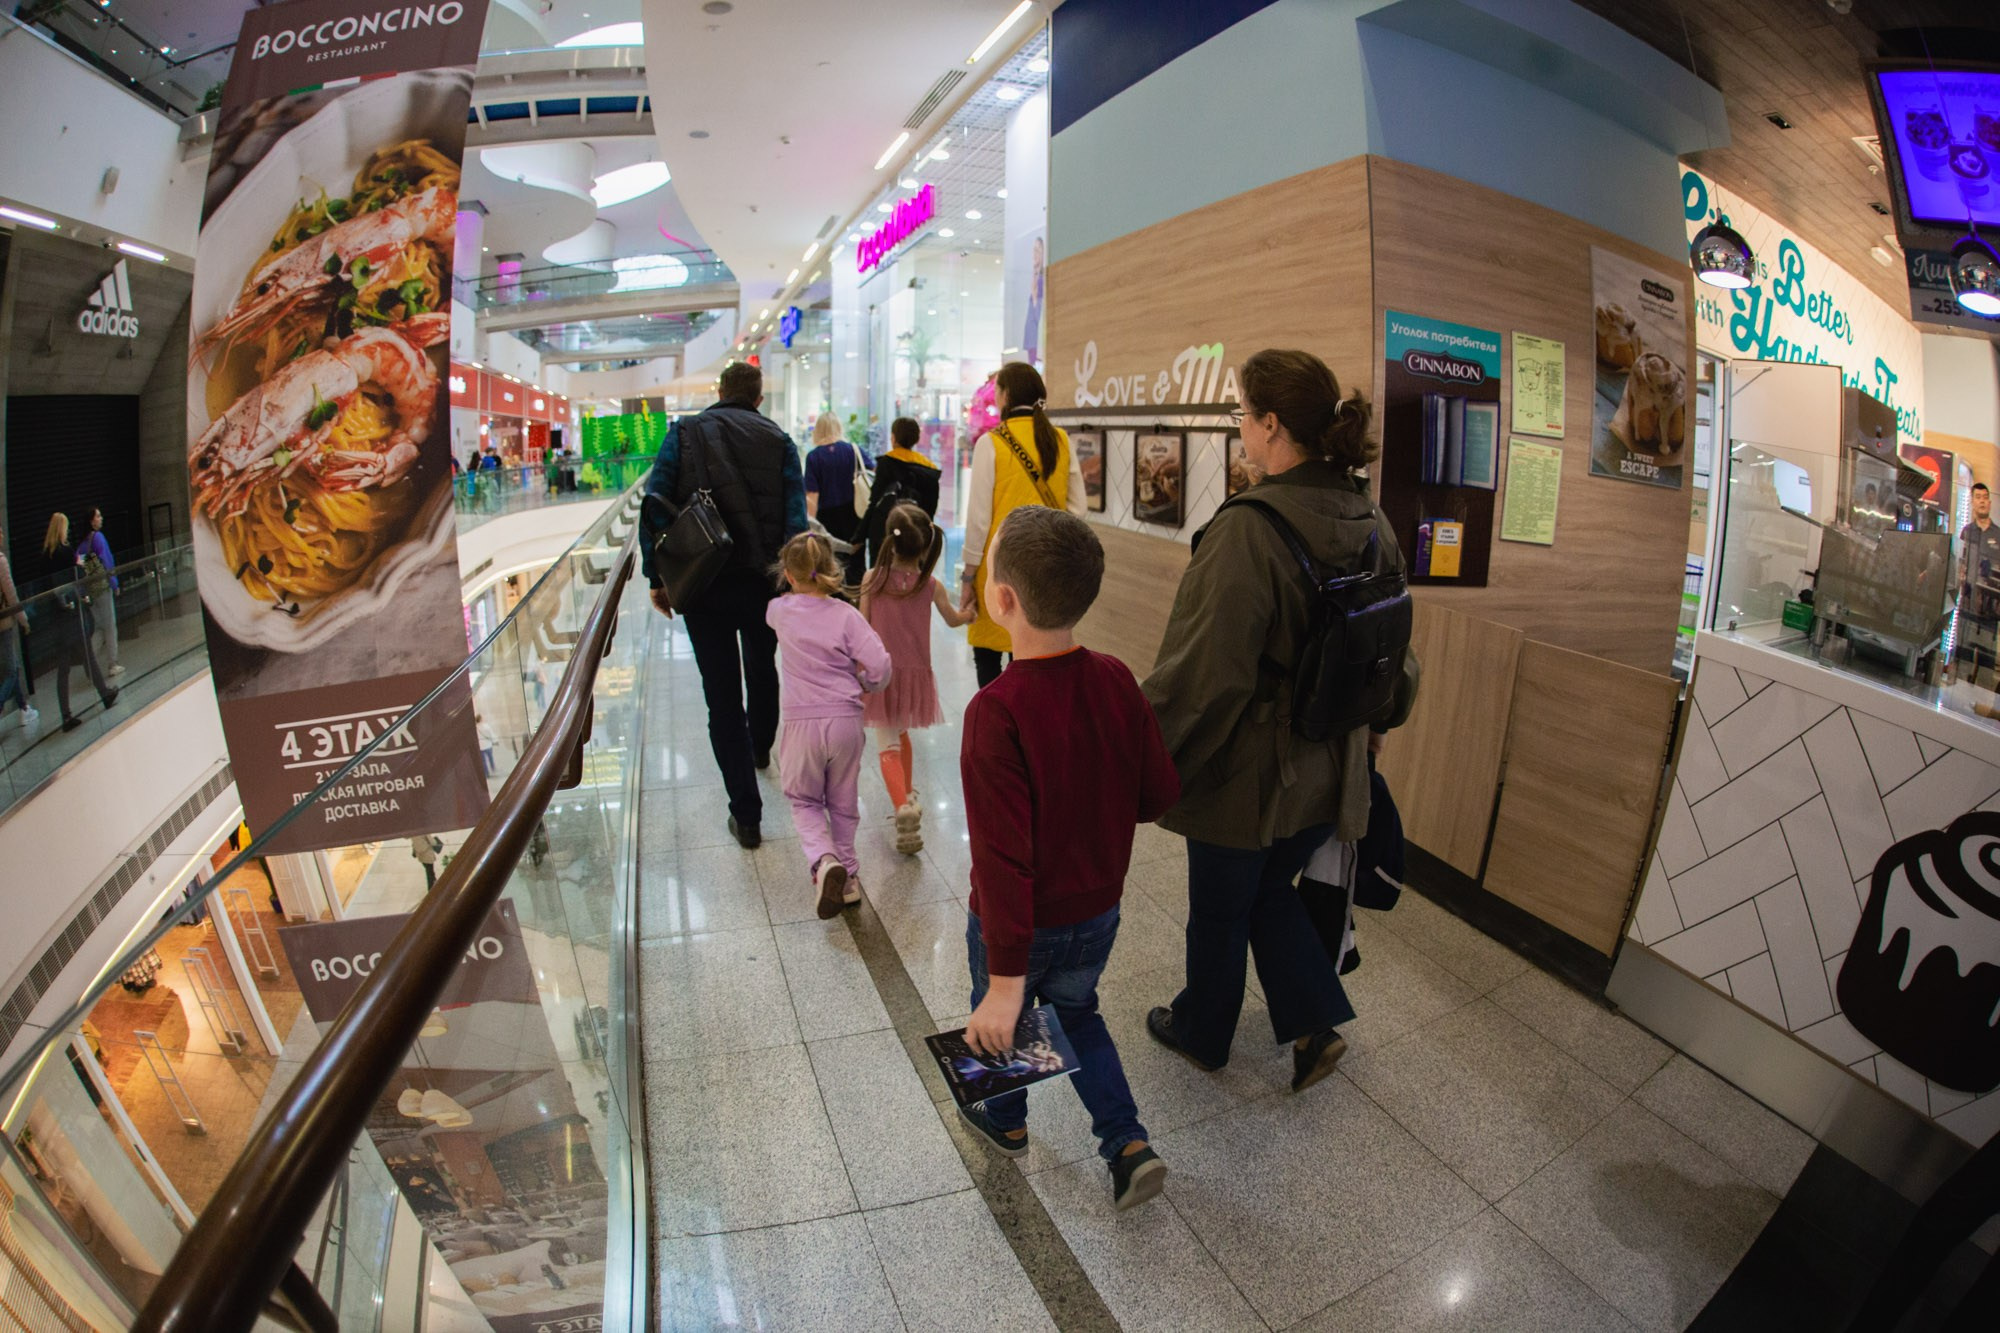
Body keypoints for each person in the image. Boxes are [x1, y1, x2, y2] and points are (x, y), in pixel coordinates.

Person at [1141, 349, 1416, 1093]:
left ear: (1271, 425)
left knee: (1222, 909)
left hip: (1251, 778)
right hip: (1335, 768)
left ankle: (1203, 1030)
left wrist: (1144, 766)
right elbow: (1396, 650)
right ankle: (1313, 1023)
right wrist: (1383, 723)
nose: (1239, 430)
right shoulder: (1370, 516)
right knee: (1268, 890)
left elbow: (1204, 676)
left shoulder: (1249, 530)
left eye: (1242, 416)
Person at [958, 506, 1180, 1210]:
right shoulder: (1115, 677)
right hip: (1099, 911)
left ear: (1003, 599)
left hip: (1021, 926)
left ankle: (1007, 1120)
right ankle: (1126, 1142)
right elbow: (1157, 794)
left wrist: (1004, 978)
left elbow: (1001, 860)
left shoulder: (996, 710)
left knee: (1006, 1019)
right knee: (1078, 1014)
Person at [640, 360, 808, 849]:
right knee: (762, 667)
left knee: (721, 697)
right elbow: (796, 523)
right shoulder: (779, 441)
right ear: (759, 397)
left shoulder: (685, 434)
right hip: (763, 583)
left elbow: (653, 504)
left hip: (704, 583)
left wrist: (657, 578)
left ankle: (747, 815)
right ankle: (760, 749)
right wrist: (793, 584)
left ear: (719, 391)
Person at [765, 532, 892, 919]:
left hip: (802, 725)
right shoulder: (846, 615)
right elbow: (881, 666)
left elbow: (776, 613)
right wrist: (867, 684)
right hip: (844, 721)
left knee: (804, 800)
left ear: (787, 573)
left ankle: (824, 862)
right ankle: (848, 878)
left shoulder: (778, 611)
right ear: (833, 571)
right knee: (842, 801)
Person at [958, 362, 1087, 688]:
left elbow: (978, 520)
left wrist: (968, 576)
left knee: (988, 655)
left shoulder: (991, 443)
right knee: (1033, 656)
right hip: (1044, 566)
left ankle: (994, 724)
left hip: (999, 567)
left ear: (1006, 395)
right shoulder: (1059, 439)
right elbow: (1078, 510)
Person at [859, 502, 974, 853]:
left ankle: (903, 807)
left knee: (887, 744)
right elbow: (954, 619)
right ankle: (907, 793)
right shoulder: (930, 585)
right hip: (916, 675)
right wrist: (970, 615)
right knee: (902, 731)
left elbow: (861, 629)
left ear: (889, 542)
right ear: (925, 545)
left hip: (881, 674)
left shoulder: (872, 579)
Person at [40, 512, 117, 732]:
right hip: (72, 614)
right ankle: (105, 694)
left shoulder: (45, 555)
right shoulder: (65, 553)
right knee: (87, 654)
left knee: (64, 667)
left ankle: (66, 714)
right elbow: (76, 576)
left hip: (56, 618)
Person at [860, 417, 942, 567]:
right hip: (916, 535)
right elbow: (931, 510)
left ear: (893, 437)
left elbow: (874, 503)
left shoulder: (886, 463)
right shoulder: (929, 470)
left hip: (884, 535)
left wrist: (858, 536)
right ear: (916, 438)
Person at [803, 412, 870, 586]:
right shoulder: (853, 450)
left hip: (827, 519)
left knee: (830, 563)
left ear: (817, 431)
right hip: (854, 515)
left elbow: (812, 496)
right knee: (856, 561)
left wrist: (810, 526)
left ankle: (836, 601)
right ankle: (857, 601)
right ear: (839, 428)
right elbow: (872, 475)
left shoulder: (814, 457)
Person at [1956, 482, 1996, 687]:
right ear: (1972, 502)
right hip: (1967, 605)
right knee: (1963, 656)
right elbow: (1960, 564)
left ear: (1989, 502)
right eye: (1977, 497)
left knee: (1987, 662)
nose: (1981, 500)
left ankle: (1982, 707)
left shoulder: (1998, 535)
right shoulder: (1966, 532)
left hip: (1990, 612)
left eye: (1984, 497)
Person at [0, 529, 37, 732]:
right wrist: (23, 620)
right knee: (12, 670)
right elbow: (11, 595)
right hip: (4, 623)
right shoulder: (1, 560)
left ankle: (23, 707)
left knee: (9, 667)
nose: (3, 535)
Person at [78, 507, 122, 676]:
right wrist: (114, 582)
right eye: (98, 516)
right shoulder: (98, 538)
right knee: (110, 626)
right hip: (102, 587)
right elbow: (106, 560)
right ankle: (113, 663)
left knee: (98, 627)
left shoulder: (82, 544)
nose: (101, 518)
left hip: (91, 590)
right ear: (92, 520)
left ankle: (89, 662)